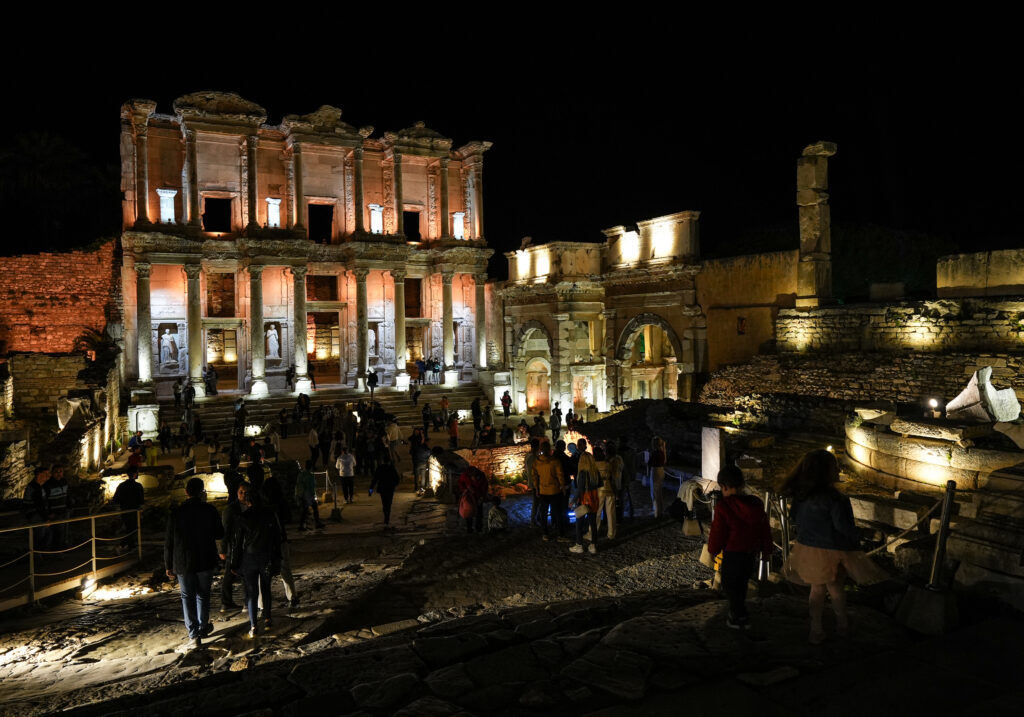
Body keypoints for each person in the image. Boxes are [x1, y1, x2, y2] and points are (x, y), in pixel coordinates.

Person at [781, 449, 886, 644]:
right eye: (834, 466)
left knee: (816, 589)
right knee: (836, 589)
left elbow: (794, 517)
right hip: (833, 549)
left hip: (808, 549)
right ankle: (843, 625)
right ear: (825, 472)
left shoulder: (801, 496)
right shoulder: (836, 499)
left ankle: (816, 630)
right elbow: (843, 527)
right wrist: (864, 536)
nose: (838, 469)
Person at [706, 465, 774, 630]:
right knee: (742, 582)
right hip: (750, 553)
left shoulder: (724, 507)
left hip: (733, 553)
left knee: (729, 584)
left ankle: (738, 616)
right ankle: (739, 610)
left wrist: (712, 551)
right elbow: (764, 529)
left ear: (724, 487)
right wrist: (766, 551)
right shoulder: (756, 504)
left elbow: (718, 533)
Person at [165, 477, 223, 649]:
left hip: (183, 562)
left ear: (186, 492)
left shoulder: (176, 513)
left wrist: (168, 564)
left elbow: (169, 541)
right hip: (205, 560)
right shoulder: (209, 510)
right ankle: (203, 626)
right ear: (202, 492)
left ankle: (193, 634)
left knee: (186, 597)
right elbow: (220, 533)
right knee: (203, 595)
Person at [232, 491, 282, 639]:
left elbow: (236, 543)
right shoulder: (269, 515)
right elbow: (277, 537)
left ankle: (254, 626)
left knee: (251, 593)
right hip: (266, 557)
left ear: (247, 502)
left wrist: (234, 563)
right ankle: (267, 619)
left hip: (249, 559)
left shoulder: (243, 518)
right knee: (266, 589)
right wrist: (277, 557)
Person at [261, 472, 298, 608]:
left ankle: (262, 603)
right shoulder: (281, 502)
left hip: (266, 541)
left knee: (263, 572)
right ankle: (292, 595)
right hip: (281, 538)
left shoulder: (263, 504)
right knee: (285, 568)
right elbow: (289, 518)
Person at [219, 482, 249, 613]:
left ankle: (247, 602)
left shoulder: (251, 506)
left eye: (246, 492)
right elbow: (224, 530)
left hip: (247, 546)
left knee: (246, 575)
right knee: (229, 574)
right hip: (234, 547)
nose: (243, 494)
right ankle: (226, 602)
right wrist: (223, 549)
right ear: (237, 493)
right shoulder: (231, 509)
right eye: (241, 492)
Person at [569, 438, 601, 554]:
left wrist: (573, 501)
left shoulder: (582, 474)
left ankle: (579, 545)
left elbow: (580, 490)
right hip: (594, 498)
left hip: (584, 499)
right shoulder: (595, 472)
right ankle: (593, 546)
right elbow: (600, 484)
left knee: (579, 522)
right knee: (593, 523)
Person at [532, 440, 567, 541]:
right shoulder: (555, 461)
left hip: (543, 491)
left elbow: (535, 477)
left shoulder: (537, 462)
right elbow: (560, 475)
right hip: (554, 491)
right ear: (550, 449)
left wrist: (537, 489)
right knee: (557, 513)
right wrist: (562, 486)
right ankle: (560, 534)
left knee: (543, 513)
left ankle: (545, 534)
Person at [113, 467, 145, 549]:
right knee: (133, 529)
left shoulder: (122, 486)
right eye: (137, 472)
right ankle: (123, 545)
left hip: (125, 510)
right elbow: (141, 500)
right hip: (134, 510)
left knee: (129, 528)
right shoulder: (138, 486)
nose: (138, 474)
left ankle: (130, 546)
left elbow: (116, 499)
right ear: (134, 474)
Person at [23, 466, 53, 552]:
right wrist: (46, 518)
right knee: (41, 535)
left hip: (38, 514)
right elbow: (39, 505)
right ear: (39, 475)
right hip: (36, 515)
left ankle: (43, 554)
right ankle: (39, 554)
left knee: (47, 534)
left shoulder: (40, 486)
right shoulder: (35, 488)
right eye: (46, 474)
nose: (49, 476)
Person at [369, 453, 401, 528]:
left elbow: (374, 480)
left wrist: (370, 491)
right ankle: (387, 518)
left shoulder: (380, 468)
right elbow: (397, 479)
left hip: (382, 488)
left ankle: (386, 517)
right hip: (390, 488)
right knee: (389, 503)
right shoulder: (392, 468)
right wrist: (394, 485)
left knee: (384, 503)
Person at [45, 464, 71, 549]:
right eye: (56, 472)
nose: (59, 474)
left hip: (64, 510)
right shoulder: (48, 485)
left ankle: (64, 546)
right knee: (57, 532)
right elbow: (46, 500)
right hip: (55, 513)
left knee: (65, 530)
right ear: (52, 473)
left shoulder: (64, 482)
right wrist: (49, 513)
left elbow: (68, 495)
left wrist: (69, 507)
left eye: (60, 472)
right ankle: (57, 550)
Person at [457, 466, 489, 533]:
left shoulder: (481, 476)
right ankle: (469, 529)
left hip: (478, 497)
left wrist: (482, 496)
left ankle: (479, 528)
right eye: (472, 477)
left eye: (475, 478)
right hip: (469, 497)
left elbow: (485, 487)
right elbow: (460, 482)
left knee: (479, 513)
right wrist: (464, 489)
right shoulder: (465, 475)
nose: (474, 479)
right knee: (469, 512)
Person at [295, 460, 325, 531]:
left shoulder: (301, 474)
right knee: (312, 508)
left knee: (305, 510)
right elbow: (311, 487)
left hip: (301, 494)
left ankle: (302, 525)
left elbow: (298, 485)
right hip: (308, 495)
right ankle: (316, 523)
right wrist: (313, 496)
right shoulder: (310, 476)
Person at [649, 436, 667, 518]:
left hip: (655, 471)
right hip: (661, 470)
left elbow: (650, 462)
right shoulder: (662, 452)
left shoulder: (655, 452)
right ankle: (660, 510)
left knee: (655, 492)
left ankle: (657, 512)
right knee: (659, 492)